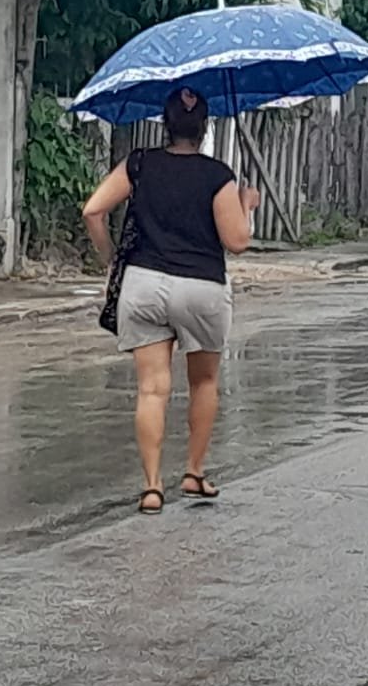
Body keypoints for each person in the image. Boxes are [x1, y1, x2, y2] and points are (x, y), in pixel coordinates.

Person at [83, 88, 260, 515]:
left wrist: (111, 260)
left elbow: (93, 210)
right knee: (203, 382)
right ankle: (194, 473)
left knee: (151, 389)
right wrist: (246, 205)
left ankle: (151, 487)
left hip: (142, 285)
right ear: (204, 128)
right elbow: (236, 242)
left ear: (165, 124)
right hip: (201, 288)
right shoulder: (218, 175)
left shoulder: (139, 163)